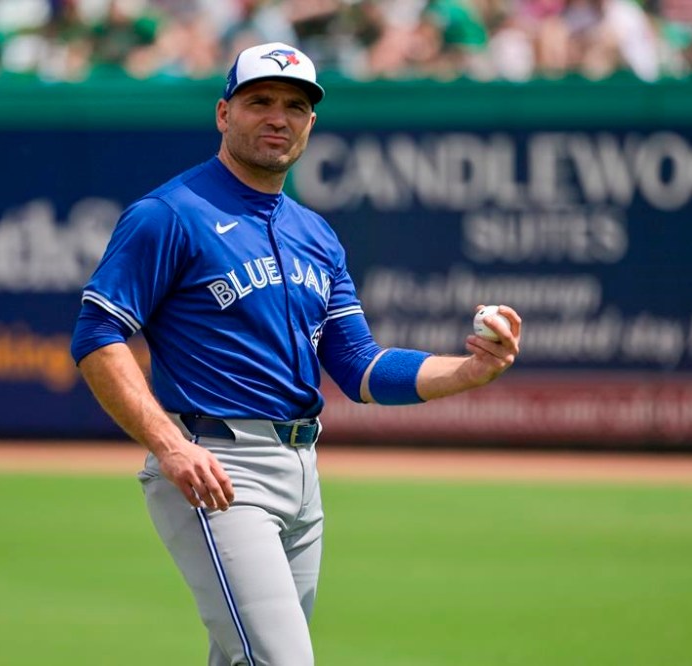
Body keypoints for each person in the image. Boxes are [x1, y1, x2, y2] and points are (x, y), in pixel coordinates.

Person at [70, 41, 522, 666]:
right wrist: (170, 446)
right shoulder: (169, 214)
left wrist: (470, 371)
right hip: (216, 465)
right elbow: (97, 335)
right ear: (224, 113)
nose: (278, 117)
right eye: (259, 102)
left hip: (302, 474)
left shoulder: (316, 234)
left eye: (295, 105)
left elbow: (361, 368)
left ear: (311, 123)